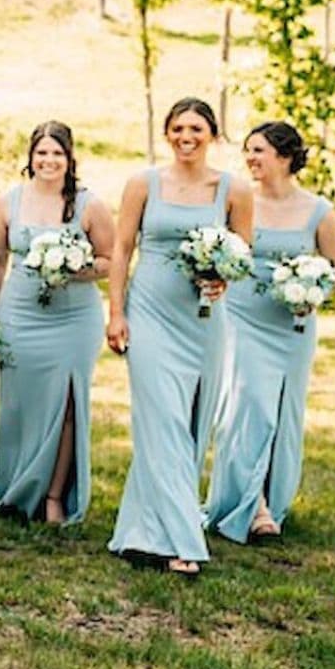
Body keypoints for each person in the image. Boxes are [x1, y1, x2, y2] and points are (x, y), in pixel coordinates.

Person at [107, 97, 254, 575]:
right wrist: (116, 313)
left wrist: (223, 278)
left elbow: (243, 253)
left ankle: (141, 531)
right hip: (149, 311)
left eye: (195, 128)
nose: (185, 136)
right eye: (177, 128)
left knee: (189, 425)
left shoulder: (233, 189)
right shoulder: (143, 183)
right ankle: (183, 540)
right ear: (167, 133)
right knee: (162, 418)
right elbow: (122, 247)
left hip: (204, 319)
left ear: (212, 134)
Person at [206, 121, 335, 541]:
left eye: (258, 150)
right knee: (249, 405)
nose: (250, 158)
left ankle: (269, 497)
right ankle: (254, 507)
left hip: (293, 323)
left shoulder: (318, 210)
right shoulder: (239, 201)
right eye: (247, 150)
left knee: (283, 412)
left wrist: (314, 287)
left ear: (285, 157)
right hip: (243, 317)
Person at [0, 121, 113, 524]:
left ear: (69, 158)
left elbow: (111, 261)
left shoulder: (89, 205)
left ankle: (55, 495)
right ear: (30, 157)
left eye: (57, 153)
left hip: (74, 317)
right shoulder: (7, 202)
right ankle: (16, 488)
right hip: (19, 313)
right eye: (42, 153)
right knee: (18, 404)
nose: (49, 160)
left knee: (69, 404)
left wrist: (75, 268)